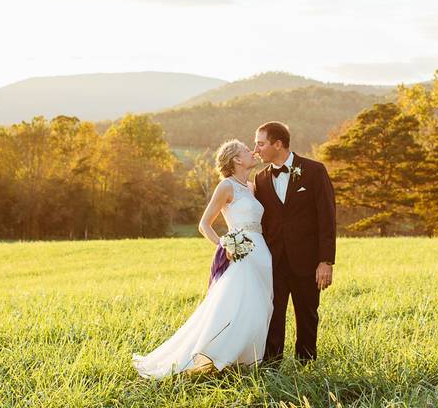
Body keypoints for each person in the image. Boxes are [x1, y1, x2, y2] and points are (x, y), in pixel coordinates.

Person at [132, 140, 273, 378]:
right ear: (237, 160)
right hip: (242, 254)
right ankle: (216, 358)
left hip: (262, 253)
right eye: (246, 151)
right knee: (239, 307)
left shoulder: (250, 186)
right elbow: (204, 224)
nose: (252, 152)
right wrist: (225, 244)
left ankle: (246, 363)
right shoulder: (226, 186)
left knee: (261, 308)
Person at [253, 121, 337, 365]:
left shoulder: (314, 171)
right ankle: (271, 367)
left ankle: (306, 366)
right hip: (274, 262)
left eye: (260, 143)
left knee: (308, 316)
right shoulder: (260, 179)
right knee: (273, 317)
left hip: (307, 262)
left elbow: (327, 219)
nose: (256, 149)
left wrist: (325, 261)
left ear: (278, 144)